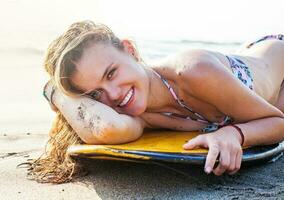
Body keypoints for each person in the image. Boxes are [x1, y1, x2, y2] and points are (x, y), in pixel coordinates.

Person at [28, 21, 284, 183]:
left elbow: (278, 123)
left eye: (111, 73)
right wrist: (55, 92)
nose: (113, 95)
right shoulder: (137, 113)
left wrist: (234, 134)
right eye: (95, 94)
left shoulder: (194, 72)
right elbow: (106, 129)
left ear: (129, 50)